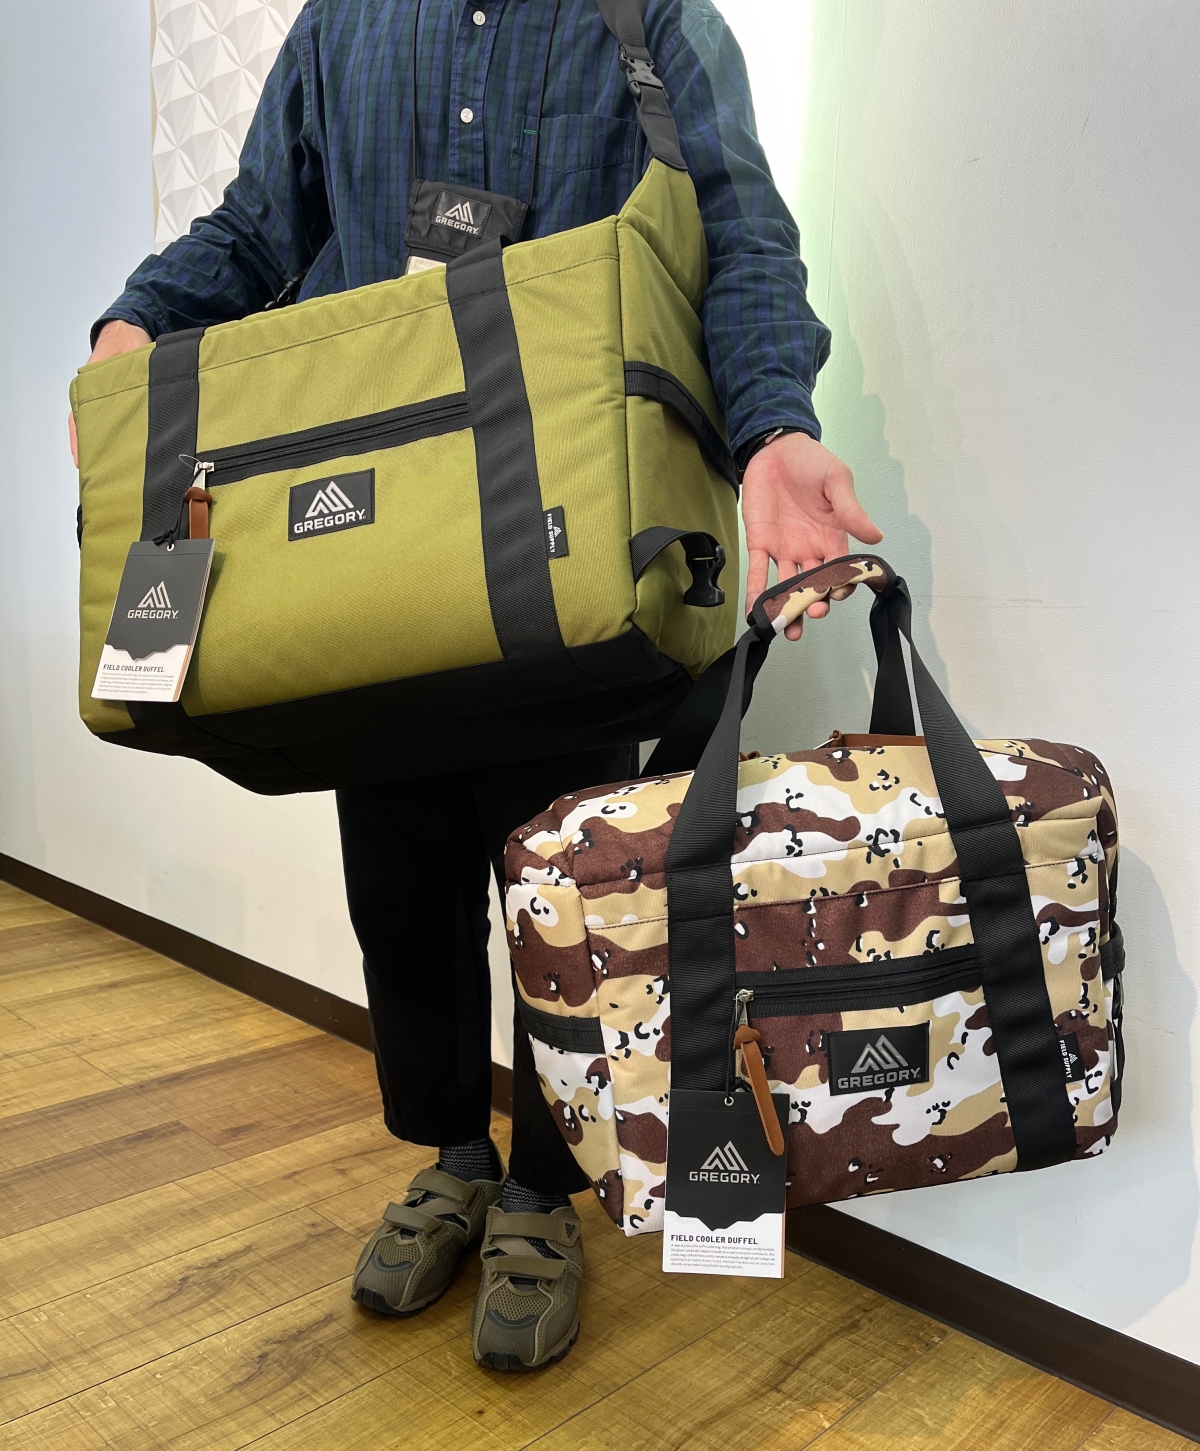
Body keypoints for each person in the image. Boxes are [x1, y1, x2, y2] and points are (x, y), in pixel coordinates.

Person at [73, 0, 882, 1372]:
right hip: (380, 556)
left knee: (566, 895)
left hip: (567, 551)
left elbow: (737, 229)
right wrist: (139, 321)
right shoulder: (343, 23)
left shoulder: (652, 19)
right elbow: (261, 227)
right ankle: (452, 1155)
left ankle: (543, 1193)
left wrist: (772, 427)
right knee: (399, 884)